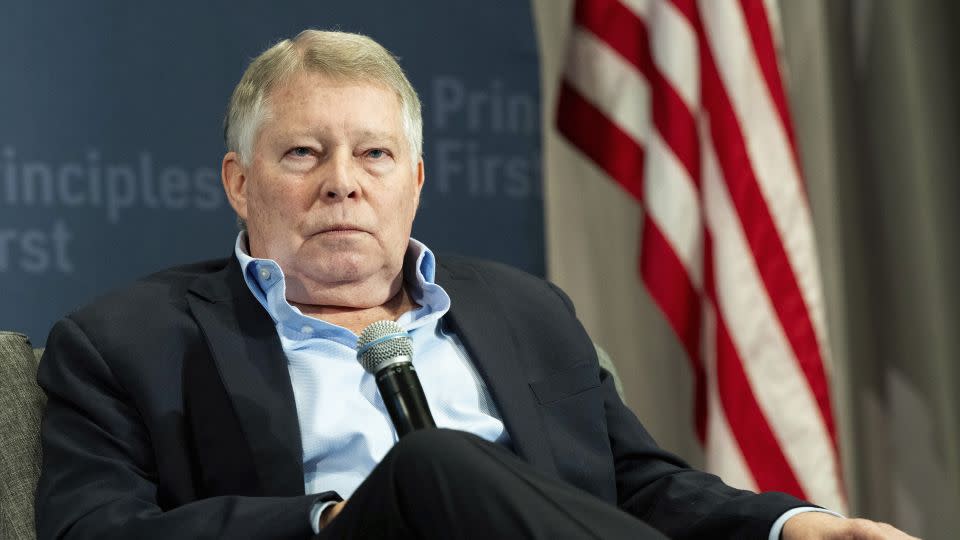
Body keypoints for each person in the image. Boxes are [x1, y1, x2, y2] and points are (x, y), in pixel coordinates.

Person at [35, 29, 915, 539]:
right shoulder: (128, 340)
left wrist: (799, 528)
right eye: (304, 153)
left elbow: (639, 486)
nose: (343, 180)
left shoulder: (525, 310)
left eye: (375, 154)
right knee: (435, 465)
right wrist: (332, 521)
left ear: (414, 182)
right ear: (238, 181)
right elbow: (93, 534)